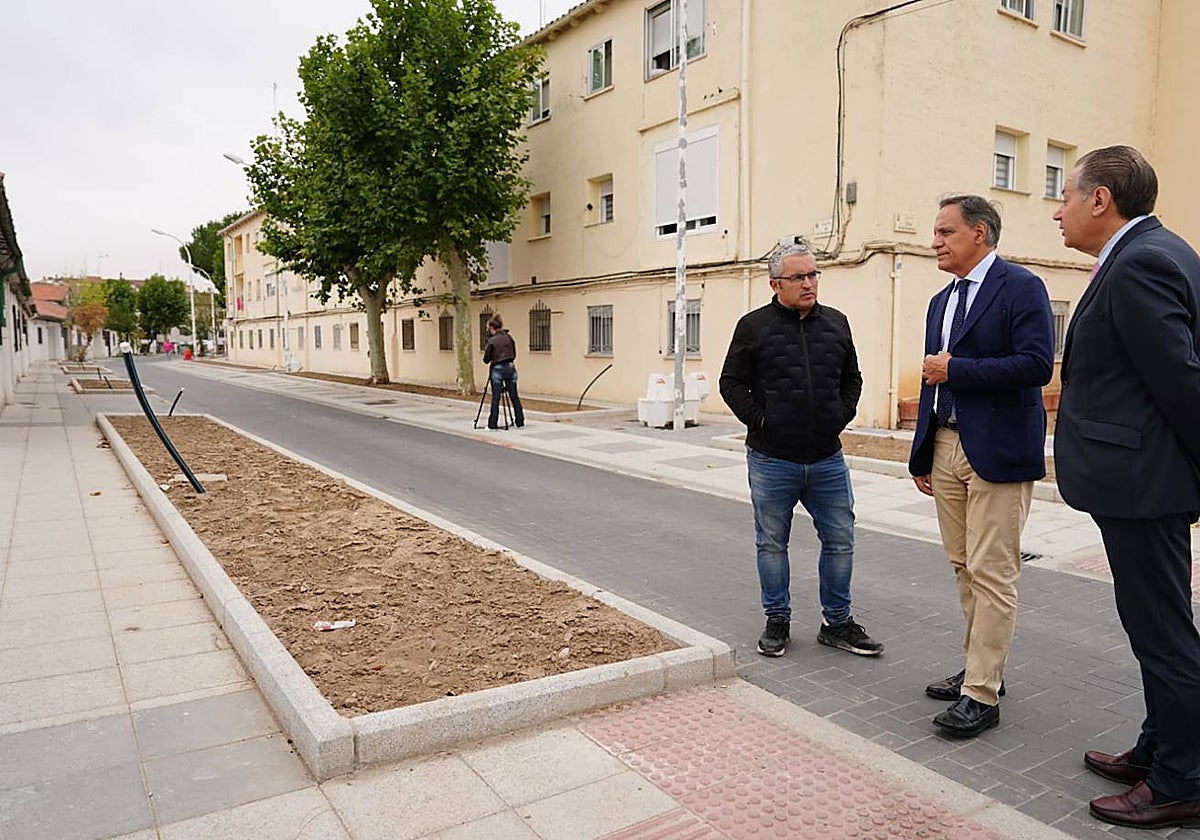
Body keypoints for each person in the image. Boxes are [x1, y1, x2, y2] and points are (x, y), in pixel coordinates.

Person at [1051, 145, 1200, 829]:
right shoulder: (1158, 252)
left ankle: (1181, 780)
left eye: (1066, 194)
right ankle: (1159, 747)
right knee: (1155, 631)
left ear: (1101, 199)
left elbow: (1184, 383)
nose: (1059, 210)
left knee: (1163, 635)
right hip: (1143, 481)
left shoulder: (1141, 263)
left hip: (1145, 486)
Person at [908, 195, 1054, 738]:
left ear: (980, 234)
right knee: (964, 566)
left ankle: (982, 695)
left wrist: (958, 369)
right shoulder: (939, 301)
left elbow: (1037, 365)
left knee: (993, 572)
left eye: (946, 231)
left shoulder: (1022, 288)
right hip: (946, 447)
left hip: (997, 452)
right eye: (935, 231)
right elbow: (931, 379)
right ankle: (980, 668)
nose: (935, 242)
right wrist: (922, 451)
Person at [719, 241, 883, 659]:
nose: (809, 283)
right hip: (773, 458)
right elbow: (731, 383)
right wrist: (761, 420)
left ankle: (838, 622)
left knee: (841, 540)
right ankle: (778, 620)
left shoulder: (837, 323)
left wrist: (839, 416)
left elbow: (853, 378)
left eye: (813, 275)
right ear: (776, 284)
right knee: (772, 544)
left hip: (827, 457)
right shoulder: (753, 326)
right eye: (799, 277)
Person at [482, 314, 525, 430]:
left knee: (496, 397)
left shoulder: (491, 341)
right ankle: (520, 421)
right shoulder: (509, 338)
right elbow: (514, 354)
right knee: (514, 396)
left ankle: (492, 424)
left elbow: (486, 359)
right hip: (511, 368)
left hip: (497, 369)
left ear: (491, 327)